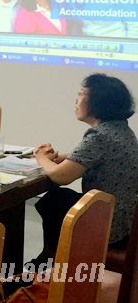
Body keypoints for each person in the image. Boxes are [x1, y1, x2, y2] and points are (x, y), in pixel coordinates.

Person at [31, 73, 138, 265]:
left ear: (98, 102)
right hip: (124, 224)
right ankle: (50, 258)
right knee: (59, 199)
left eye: (81, 94)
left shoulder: (99, 136)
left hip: (108, 227)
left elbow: (61, 176)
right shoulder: (120, 129)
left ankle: (56, 261)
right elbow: (93, 157)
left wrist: (40, 157)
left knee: (54, 200)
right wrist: (61, 157)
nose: (76, 100)